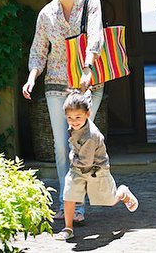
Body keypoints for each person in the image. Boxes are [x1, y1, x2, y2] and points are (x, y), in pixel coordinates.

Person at [22, 0, 105, 222]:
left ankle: (86, 198)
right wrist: (32, 77)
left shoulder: (90, 2)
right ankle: (71, 205)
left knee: (82, 144)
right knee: (61, 147)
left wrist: (88, 66)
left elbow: (96, 35)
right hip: (56, 85)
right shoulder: (46, 14)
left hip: (86, 84)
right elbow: (38, 50)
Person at [54, 90, 139, 240]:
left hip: (97, 170)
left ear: (87, 114)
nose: (74, 121)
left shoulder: (91, 135)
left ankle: (123, 193)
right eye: (69, 118)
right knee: (69, 194)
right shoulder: (74, 127)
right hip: (78, 169)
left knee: (110, 200)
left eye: (78, 117)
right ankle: (68, 228)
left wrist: (71, 156)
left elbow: (85, 161)